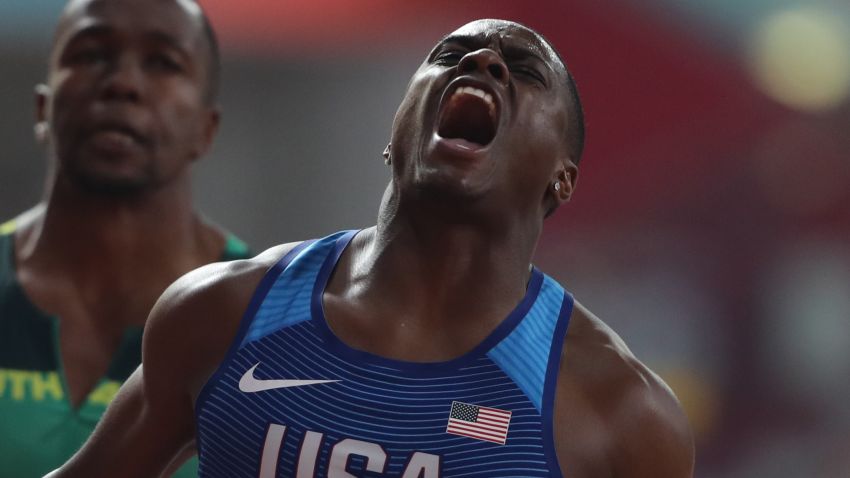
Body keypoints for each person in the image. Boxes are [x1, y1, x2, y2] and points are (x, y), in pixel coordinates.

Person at [47, 19, 694, 477]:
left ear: (563, 176)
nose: (483, 63)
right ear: (396, 133)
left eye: (522, 71)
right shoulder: (220, 313)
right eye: (451, 53)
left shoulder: (619, 413)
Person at [0, 0, 251, 476]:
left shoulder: (265, 316)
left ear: (206, 128)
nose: (123, 84)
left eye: (163, 62)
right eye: (92, 54)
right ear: (42, 108)